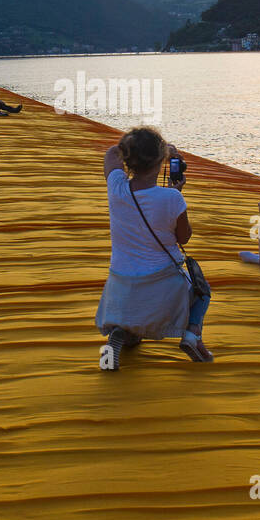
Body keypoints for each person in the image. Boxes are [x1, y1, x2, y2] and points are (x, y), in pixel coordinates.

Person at [96, 127, 211, 369]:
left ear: (129, 159)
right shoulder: (172, 198)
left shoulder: (117, 187)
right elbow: (184, 237)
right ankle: (192, 334)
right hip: (163, 284)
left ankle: (118, 333)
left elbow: (111, 153)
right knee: (203, 291)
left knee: (132, 336)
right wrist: (174, 189)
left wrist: (156, 150)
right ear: (160, 162)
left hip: (121, 283)